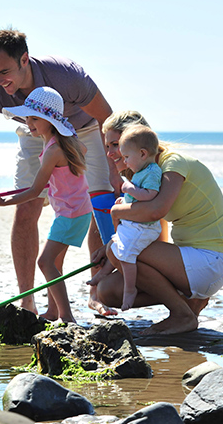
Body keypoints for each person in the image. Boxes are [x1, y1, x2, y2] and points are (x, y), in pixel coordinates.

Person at [0, 28, 119, 315]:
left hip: (86, 130)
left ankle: (96, 293)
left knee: (99, 201)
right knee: (27, 207)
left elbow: (107, 118)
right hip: (35, 133)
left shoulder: (65, 75)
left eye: (4, 72)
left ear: (25, 59)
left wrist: (116, 168)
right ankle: (27, 301)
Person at [90, 111, 223, 335]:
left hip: (210, 261)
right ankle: (190, 303)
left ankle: (182, 315)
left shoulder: (173, 163)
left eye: (115, 145)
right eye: (107, 146)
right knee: (108, 291)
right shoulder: (148, 175)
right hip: (190, 262)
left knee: (118, 250)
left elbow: (155, 211)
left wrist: (116, 212)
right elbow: (155, 228)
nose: (110, 153)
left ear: (138, 146)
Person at [0, 87, 92, 324]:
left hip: (71, 215)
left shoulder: (54, 150)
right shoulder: (61, 143)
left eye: (35, 118)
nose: (28, 122)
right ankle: (54, 312)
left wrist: (3, 202)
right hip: (76, 211)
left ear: (51, 121)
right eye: (27, 117)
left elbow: (35, 191)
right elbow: (81, 152)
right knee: (53, 263)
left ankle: (66, 317)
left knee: (45, 262)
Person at [87, 124, 162, 311]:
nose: (124, 160)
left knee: (126, 255)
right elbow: (137, 197)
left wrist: (129, 189)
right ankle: (101, 275)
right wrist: (125, 198)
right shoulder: (141, 171)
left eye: (126, 156)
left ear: (143, 154)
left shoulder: (152, 171)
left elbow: (150, 195)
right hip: (134, 224)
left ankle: (130, 290)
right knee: (113, 243)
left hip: (144, 227)